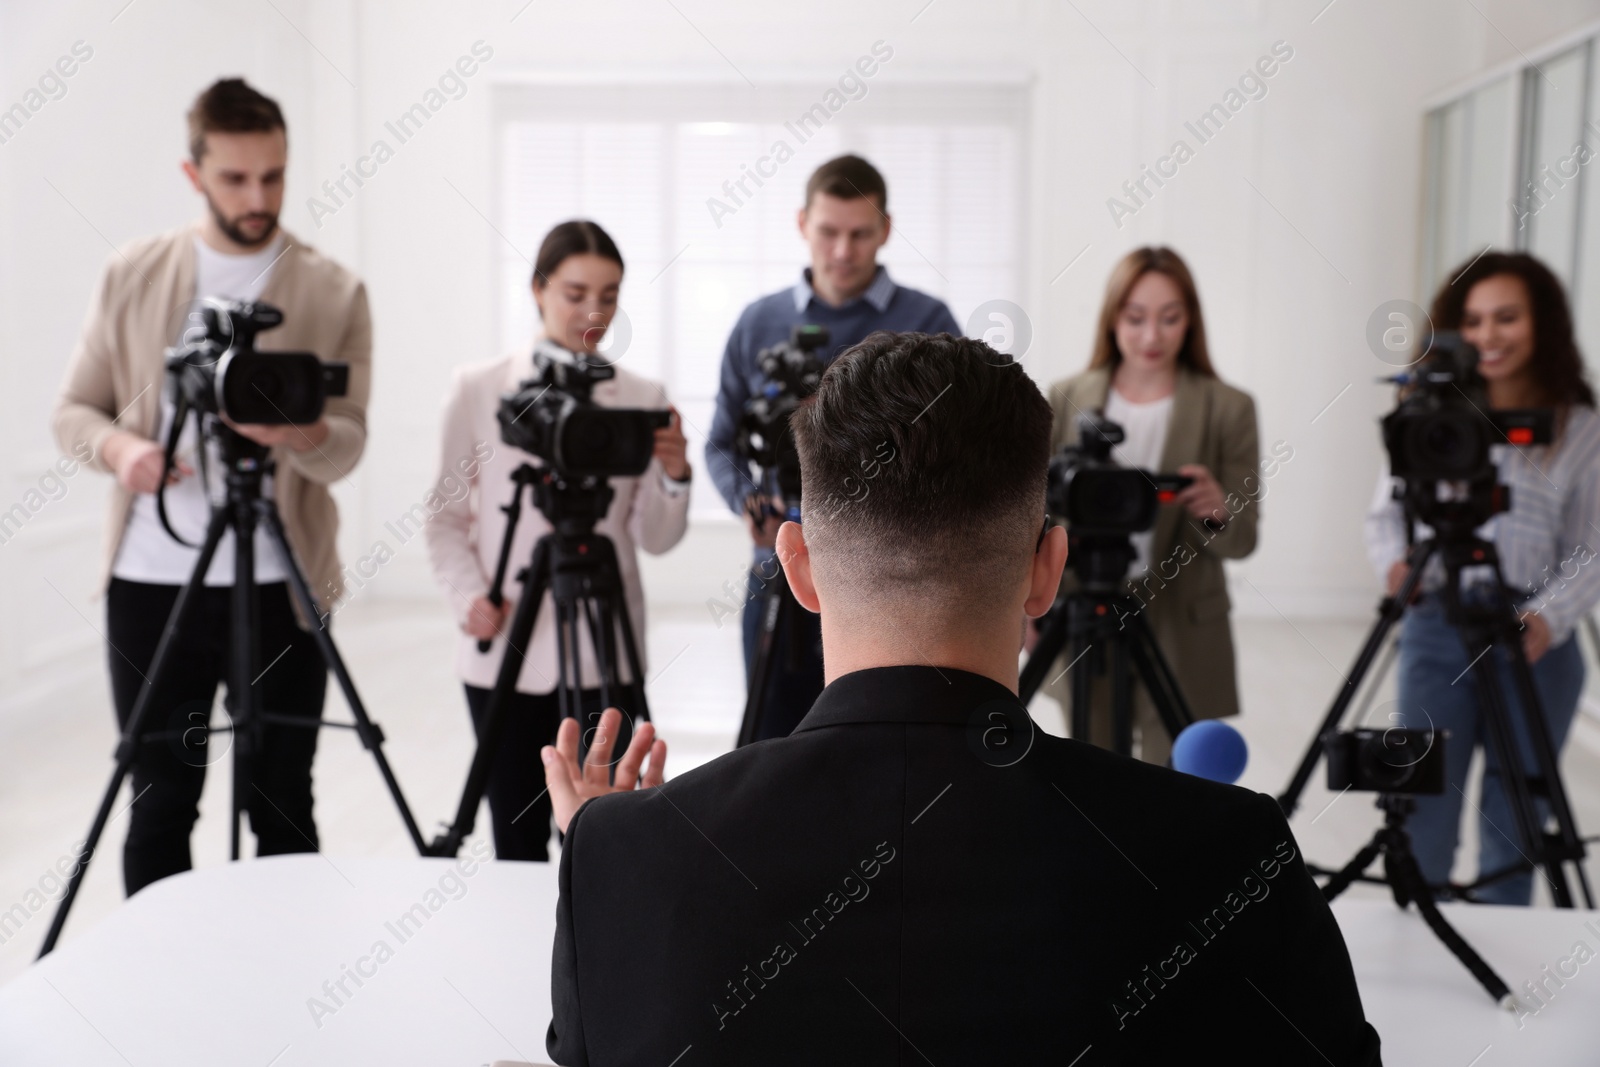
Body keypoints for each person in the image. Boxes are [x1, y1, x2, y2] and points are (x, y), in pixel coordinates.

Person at [542, 331, 1381, 1064]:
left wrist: (621, 851)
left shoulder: (619, 857)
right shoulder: (1229, 855)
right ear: (1047, 567)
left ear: (796, 567)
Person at [52, 79, 370, 896]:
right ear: (194, 173)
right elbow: (72, 412)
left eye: (274, 176)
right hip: (155, 585)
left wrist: (295, 432)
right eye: (235, 178)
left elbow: (347, 447)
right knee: (161, 801)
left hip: (283, 587)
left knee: (282, 802)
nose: (257, 197)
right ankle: (159, 991)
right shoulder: (133, 273)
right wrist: (124, 449)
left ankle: (287, 981)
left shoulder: (334, 290)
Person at [424, 219, 690, 862]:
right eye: (575, 293)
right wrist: (468, 599)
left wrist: (675, 474)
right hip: (504, 649)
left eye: (610, 294)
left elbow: (655, 538)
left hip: (606, 650)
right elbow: (444, 521)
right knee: (515, 837)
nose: (593, 312)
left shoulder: (640, 397)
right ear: (538, 289)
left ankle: (600, 954)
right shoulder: (480, 388)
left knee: (611, 831)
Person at [1366, 251, 1600, 906]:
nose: (1489, 335)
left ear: (1541, 323)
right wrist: (1395, 565)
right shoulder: (1423, 407)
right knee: (1421, 804)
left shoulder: (1578, 428)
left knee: (1517, 820)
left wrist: (1548, 617)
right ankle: (1417, 944)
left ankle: (1507, 967)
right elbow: (1385, 516)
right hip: (1436, 625)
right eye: (1472, 320)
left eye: (1508, 317)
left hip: (1536, 638)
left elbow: (1592, 547)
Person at [706, 154, 960, 742]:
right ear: (802, 224)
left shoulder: (927, 319)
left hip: (896, 576)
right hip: (780, 563)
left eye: (859, 233)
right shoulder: (757, 323)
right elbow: (719, 442)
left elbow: (955, 447)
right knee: (771, 744)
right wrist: (748, 503)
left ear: (885, 231)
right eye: (828, 231)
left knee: (880, 742)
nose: (843, 250)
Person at [1041, 247, 1264, 764]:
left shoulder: (1228, 408)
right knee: (1089, 769)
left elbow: (1245, 538)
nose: (1151, 336)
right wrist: (1031, 605)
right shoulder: (1066, 396)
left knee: (1177, 778)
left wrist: (1217, 510)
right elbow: (1038, 513)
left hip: (1181, 611)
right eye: (1135, 317)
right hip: (1082, 599)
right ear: (1112, 317)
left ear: (1191, 321)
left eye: (1170, 318)